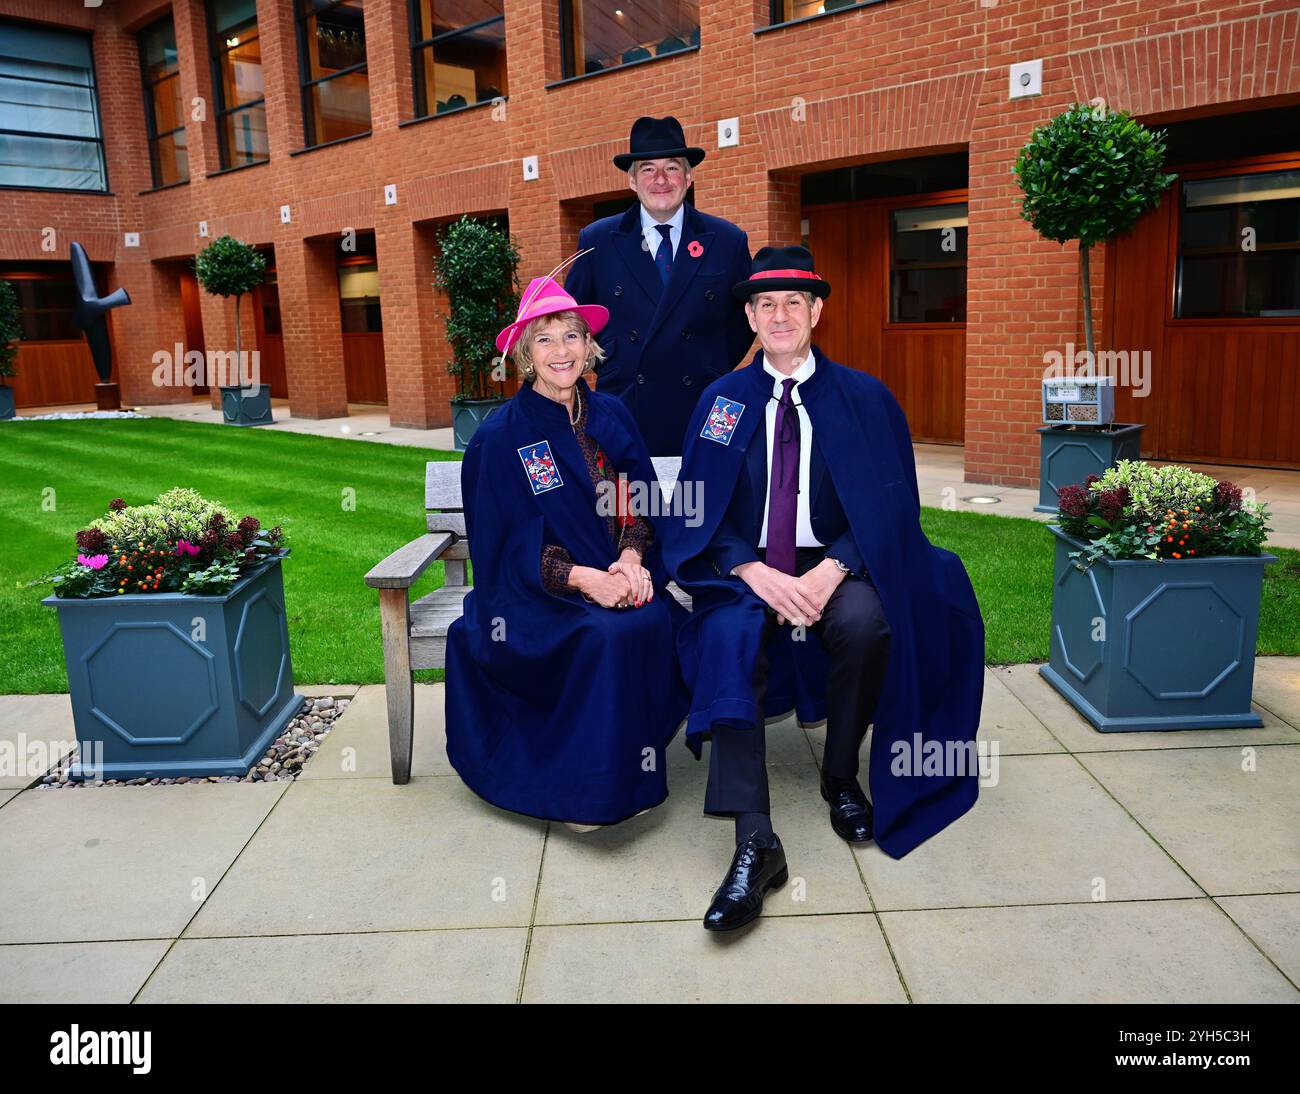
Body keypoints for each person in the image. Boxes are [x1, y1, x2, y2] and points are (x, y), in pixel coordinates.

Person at [661, 245, 986, 931]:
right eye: (765, 304)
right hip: (749, 568)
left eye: (793, 302)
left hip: (839, 562)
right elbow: (694, 508)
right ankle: (755, 839)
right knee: (727, 636)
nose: (780, 315)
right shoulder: (722, 402)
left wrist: (834, 567)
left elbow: (893, 505)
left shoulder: (864, 398)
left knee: (868, 624)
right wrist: (750, 570)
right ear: (750, 315)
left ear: (817, 311)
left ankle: (840, 775)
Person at [445, 275, 689, 832]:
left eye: (573, 336)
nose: (562, 351)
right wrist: (584, 579)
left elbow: (637, 499)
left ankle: (629, 772)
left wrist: (630, 560)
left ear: (590, 346)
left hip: (619, 575)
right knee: (605, 636)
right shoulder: (501, 436)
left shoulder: (612, 415)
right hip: (535, 595)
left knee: (653, 624)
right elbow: (503, 541)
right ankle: (583, 790)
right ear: (526, 353)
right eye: (546, 339)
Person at [564, 115, 754, 456]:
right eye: (648, 169)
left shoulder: (727, 240)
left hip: (703, 406)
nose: (661, 179)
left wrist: (709, 365)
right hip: (625, 408)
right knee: (628, 507)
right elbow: (571, 322)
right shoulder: (598, 241)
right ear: (632, 181)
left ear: (689, 176)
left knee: (697, 506)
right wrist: (609, 363)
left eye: (672, 167)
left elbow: (746, 321)